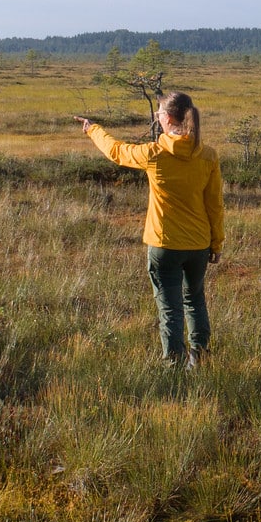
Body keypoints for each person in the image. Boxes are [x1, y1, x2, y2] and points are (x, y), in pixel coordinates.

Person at [79, 92, 225, 368]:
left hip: (164, 245)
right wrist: (216, 243)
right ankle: (200, 360)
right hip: (198, 244)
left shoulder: (153, 154)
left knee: (170, 308)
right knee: (195, 300)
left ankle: (174, 366)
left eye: (159, 113)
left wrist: (93, 129)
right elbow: (215, 205)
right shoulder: (208, 156)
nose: (157, 117)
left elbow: (116, 151)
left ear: (168, 119)